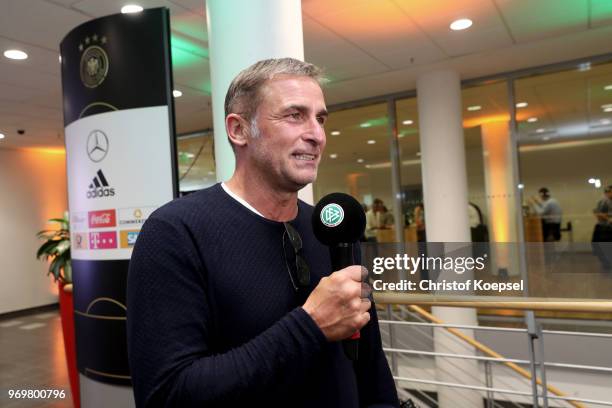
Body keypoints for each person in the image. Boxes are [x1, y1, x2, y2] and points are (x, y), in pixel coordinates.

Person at [127, 58, 399, 408]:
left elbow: (371, 367)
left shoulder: (332, 227)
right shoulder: (175, 233)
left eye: (320, 118)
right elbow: (167, 395)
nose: (316, 134)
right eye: (294, 115)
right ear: (239, 130)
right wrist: (309, 325)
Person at [592, 185, 612, 272]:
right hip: (604, 228)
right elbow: (597, 213)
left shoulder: (609, 201)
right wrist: (609, 219)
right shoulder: (604, 201)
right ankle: (606, 264)